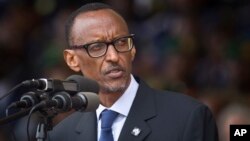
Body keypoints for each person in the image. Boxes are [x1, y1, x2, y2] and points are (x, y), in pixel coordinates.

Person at [47, 2, 218, 141]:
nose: (113, 56)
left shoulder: (188, 117)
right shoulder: (61, 135)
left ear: (133, 50)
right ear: (72, 60)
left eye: (121, 43)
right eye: (97, 47)